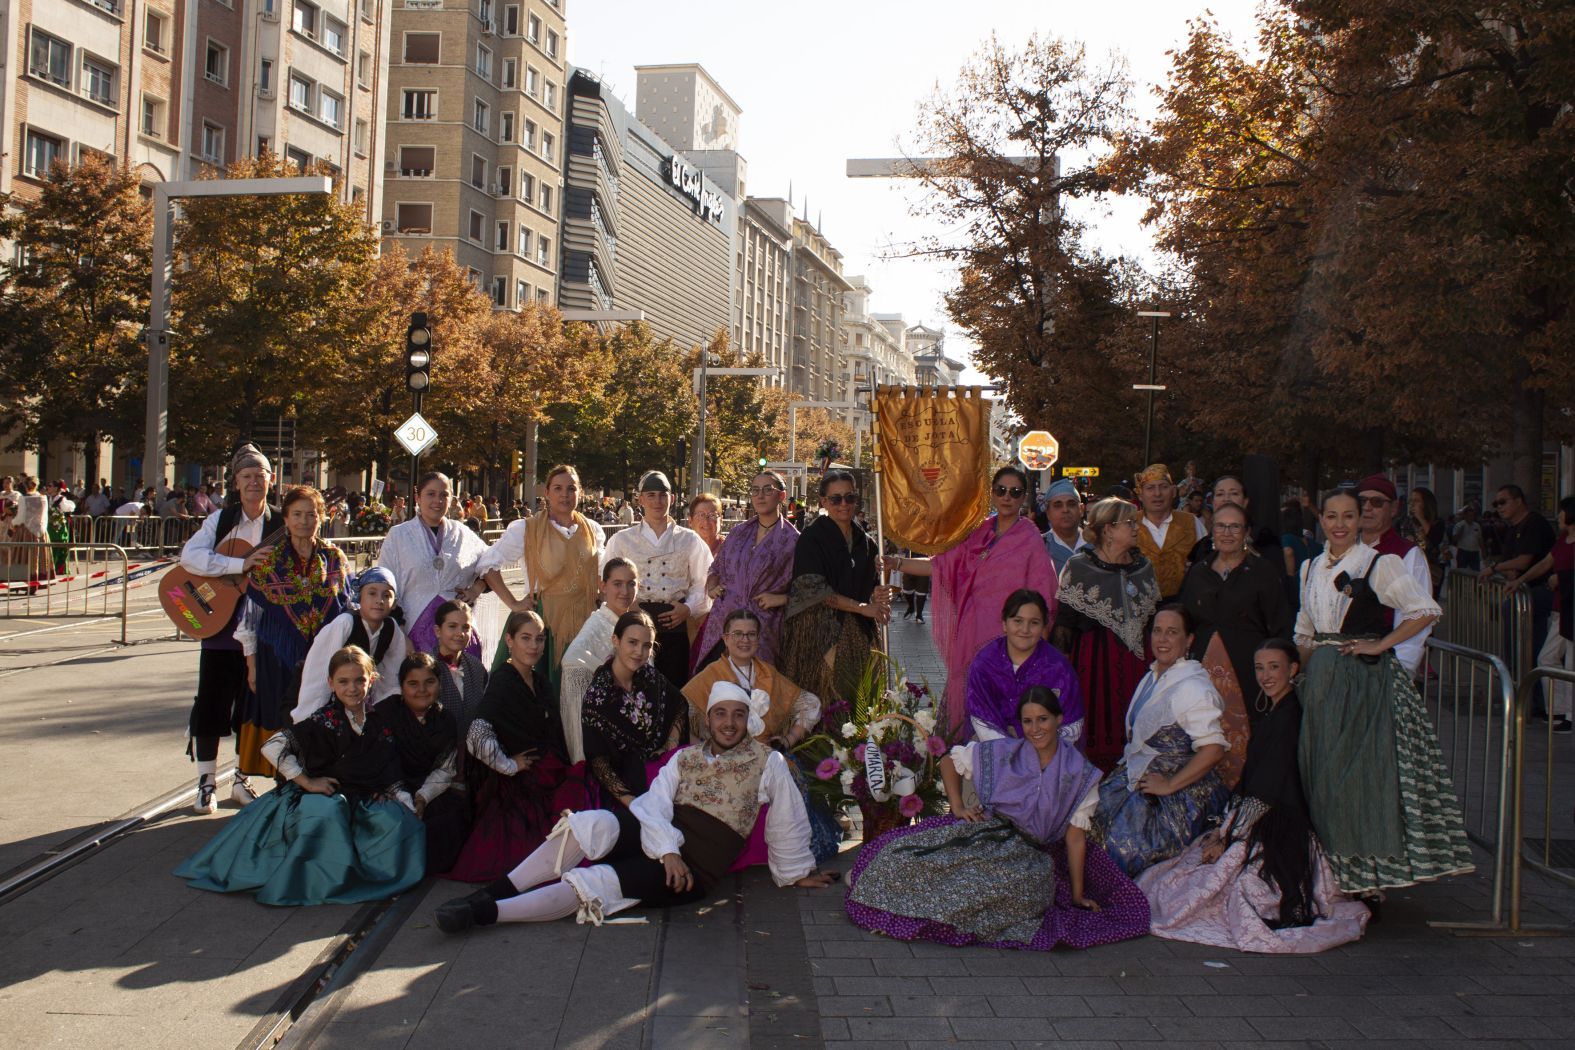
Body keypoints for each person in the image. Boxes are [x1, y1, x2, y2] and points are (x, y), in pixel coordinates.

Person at [433, 681, 834, 933]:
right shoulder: (684, 758)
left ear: (749, 721)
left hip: (694, 869)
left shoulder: (768, 763)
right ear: (708, 720)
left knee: (597, 884)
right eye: (721, 714)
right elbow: (653, 806)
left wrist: (796, 873)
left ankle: (486, 914)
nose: (729, 723)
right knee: (588, 824)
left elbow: (787, 820)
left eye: (738, 715)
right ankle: (495, 890)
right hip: (661, 838)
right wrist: (668, 851)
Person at [845, 686, 1151, 951]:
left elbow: (1074, 837)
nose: (1036, 729)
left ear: (1059, 719)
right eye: (1028, 722)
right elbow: (949, 762)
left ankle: (918, 915)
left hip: (1031, 857)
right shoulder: (1005, 752)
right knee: (899, 859)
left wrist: (1077, 894)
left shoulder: (1079, 773)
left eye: (1043, 719)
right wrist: (958, 808)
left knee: (1011, 889)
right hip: (985, 834)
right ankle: (898, 907)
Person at [1137, 640, 1370, 952]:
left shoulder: (1289, 718)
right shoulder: (1277, 711)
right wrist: (1223, 829)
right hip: (1258, 815)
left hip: (1277, 826)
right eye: (1260, 668)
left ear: (1293, 669)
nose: (1265, 675)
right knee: (1176, 877)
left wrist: (1229, 835)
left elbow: (1268, 788)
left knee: (1203, 884)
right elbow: (1253, 781)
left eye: (1274, 667)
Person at [1294, 490, 1472, 897]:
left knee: (1356, 778)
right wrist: (1296, 675)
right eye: (1332, 515)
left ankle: (1366, 882)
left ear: (1360, 520)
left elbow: (1425, 610)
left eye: (1349, 515)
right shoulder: (1309, 566)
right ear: (1321, 519)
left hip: (1362, 682)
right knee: (1319, 776)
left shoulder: (1380, 563)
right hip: (1320, 680)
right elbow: (1304, 631)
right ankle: (1329, 877)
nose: (1340, 524)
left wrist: (1380, 644)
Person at [174, 647, 426, 905]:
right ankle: (319, 881)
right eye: (343, 681)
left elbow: (389, 768)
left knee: (398, 820)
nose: (352, 688)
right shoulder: (323, 718)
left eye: (359, 680)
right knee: (327, 814)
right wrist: (307, 781)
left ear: (371, 679)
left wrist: (406, 801)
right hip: (320, 796)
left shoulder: (379, 723)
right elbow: (272, 747)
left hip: (361, 797)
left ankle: (371, 875)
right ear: (330, 683)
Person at [889, 466, 1058, 737]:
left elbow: (1043, 596)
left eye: (1015, 492)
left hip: (1010, 641)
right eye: (1001, 490)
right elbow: (941, 565)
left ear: (1024, 498)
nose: (1007, 497)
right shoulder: (979, 533)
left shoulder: (1030, 539)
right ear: (992, 493)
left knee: (1000, 717)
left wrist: (1037, 652)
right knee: (963, 710)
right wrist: (896, 563)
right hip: (972, 632)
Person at [683, 608, 840, 864]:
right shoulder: (711, 675)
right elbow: (685, 709)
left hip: (767, 755)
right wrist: (705, 751)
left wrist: (787, 740)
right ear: (725, 638)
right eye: (738, 634)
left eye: (751, 635)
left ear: (758, 639)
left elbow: (809, 703)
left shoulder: (768, 673)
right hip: (727, 759)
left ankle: (785, 854)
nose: (744, 640)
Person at [448, 610, 591, 882]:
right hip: (521, 784)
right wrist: (509, 764)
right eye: (526, 638)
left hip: (548, 770)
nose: (534, 646)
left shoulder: (540, 680)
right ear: (509, 640)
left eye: (539, 639)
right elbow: (476, 732)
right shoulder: (503, 681)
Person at [1089, 606, 1231, 878]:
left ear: (1189, 640)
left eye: (1172, 632)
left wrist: (1168, 785)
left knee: (1121, 850)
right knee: (1083, 824)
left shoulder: (1193, 687)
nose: (1163, 639)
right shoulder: (1153, 676)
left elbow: (1213, 750)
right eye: (1157, 631)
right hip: (1138, 778)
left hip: (1177, 792)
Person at [181, 446, 282, 812]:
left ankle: (241, 780)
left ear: (271, 480)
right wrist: (237, 564)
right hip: (221, 628)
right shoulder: (221, 521)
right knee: (210, 703)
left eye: (261, 475)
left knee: (250, 708)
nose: (254, 481)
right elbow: (189, 556)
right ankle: (205, 783)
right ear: (236, 482)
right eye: (247, 476)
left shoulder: (280, 524)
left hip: (264, 630)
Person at [233, 485, 351, 785]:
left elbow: (347, 606)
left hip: (324, 658)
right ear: (285, 518)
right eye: (296, 514)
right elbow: (249, 617)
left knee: (320, 722)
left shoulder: (334, 557)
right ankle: (285, 786)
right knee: (284, 721)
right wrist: (252, 664)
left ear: (321, 518)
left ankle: (317, 782)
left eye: (311, 514)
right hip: (278, 658)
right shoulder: (267, 561)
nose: (303, 521)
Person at [1178, 501, 1293, 785]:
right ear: (1211, 530)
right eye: (1220, 525)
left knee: (1249, 743)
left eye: (1235, 526)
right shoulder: (1198, 573)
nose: (1227, 533)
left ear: (1246, 532)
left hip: (1249, 677)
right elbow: (1185, 624)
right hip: (1203, 677)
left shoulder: (1263, 572)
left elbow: (1279, 627)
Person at [1051, 497, 1161, 770]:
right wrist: (1057, 675)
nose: (1136, 528)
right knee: (1097, 728)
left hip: (1137, 661)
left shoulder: (1143, 567)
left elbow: (1152, 621)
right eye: (1129, 523)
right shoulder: (1080, 566)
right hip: (1094, 664)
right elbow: (1065, 624)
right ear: (1108, 529)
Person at [475, 465, 605, 680]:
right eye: (558, 488)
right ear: (547, 493)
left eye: (571, 488)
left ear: (580, 493)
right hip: (544, 624)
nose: (565, 494)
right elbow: (488, 564)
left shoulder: (592, 530)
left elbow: (600, 574)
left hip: (585, 624)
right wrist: (514, 604)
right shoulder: (526, 529)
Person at [780, 470, 888, 706]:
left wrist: (876, 595)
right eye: (836, 499)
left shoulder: (867, 542)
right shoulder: (812, 538)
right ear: (824, 502)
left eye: (849, 497)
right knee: (825, 702)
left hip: (859, 633)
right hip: (820, 633)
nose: (844, 504)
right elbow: (814, 591)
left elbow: (868, 587)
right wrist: (862, 607)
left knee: (860, 702)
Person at [601, 470, 712, 686]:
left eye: (662, 495)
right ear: (640, 499)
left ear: (671, 499)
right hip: (634, 627)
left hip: (675, 625)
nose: (657, 501)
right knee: (634, 688)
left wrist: (688, 609)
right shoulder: (621, 540)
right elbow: (605, 583)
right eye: (650, 495)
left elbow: (704, 582)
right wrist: (628, 606)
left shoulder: (690, 540)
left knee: (673, 690)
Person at [580, 610, 689, 809]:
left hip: (659, 774)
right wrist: (634, 803)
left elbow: (679, 705)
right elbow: (600, 764)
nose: (639, 652)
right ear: (616, 640)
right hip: (620, 792)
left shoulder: (648, 676)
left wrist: (670, 750)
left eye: (646, 645)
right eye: (632, 642)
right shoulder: (598, 696)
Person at [376, 471, 490, 655]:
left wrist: (476, 588)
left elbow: (491, 563)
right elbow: (384, 586)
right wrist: (398, 634)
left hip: (459, 633)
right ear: (417, 497)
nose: (437, 500)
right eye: (431, 494)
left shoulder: (463, 533)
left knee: (462, 682)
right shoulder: (398, 536)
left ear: (451, 498)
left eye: (444, 495)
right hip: (412, 631)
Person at [693, 471, 799, 668]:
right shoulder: (738, 532)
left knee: (757, 691)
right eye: (755, 490)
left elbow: (806, 590)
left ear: (782, 496)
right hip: (724, 625)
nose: (760, 495)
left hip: (763, 629)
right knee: (714, 688)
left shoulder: (793, 541)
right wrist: (712, 587)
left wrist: (781, 599)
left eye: (768, 490)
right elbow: (715, 569)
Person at [380, 653, 472, 874]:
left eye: (429, 682)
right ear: (401, 686)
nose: (422, 690)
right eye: (413, 684)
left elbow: (445, 768)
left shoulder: (445, 719)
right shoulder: (385, 713)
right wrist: (403, 796)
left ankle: (427, 868)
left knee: (453, 815)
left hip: (428, 789)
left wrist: (422, 797)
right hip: (390, 787)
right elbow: (382, 761)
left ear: (439, 684)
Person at [966, 590, 1084, 744]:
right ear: (1004, 624)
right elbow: (980, 718)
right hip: (994, 747)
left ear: (1043, 626)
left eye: (1034, 622)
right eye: (1018, 621)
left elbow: (1072, 723)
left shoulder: (1058, 667)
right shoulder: (985, 663)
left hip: (1047, 750)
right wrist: (1013, 752)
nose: (1025, 629)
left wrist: (1040, 751)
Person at [292, 566, 407, 723]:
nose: (379, 600)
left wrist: (385, 712)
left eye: (386, 595)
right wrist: (308, 720)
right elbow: (318, 674)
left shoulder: (391, 628)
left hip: (356, 698)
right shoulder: (345, 623)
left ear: (394, 604)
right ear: (359, 597)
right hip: (324, 696)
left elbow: (391, 677)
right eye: (372, 593)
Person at [560, 558, 644, 762]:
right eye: (617, 584)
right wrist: (612, 676)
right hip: (605, 736)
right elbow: (572, 660)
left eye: (631, 583)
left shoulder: (632, 622)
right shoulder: (596, 626)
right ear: (603, 586)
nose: (625, 591)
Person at [1355, 475, 1434, 677]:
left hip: (1382, 665)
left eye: (1377, 502)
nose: (1368, 507)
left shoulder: (1408, 553)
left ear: (1393, 508)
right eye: (1362, 501)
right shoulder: (1344, 549)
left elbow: (1416, 618)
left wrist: (1399, 670)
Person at [1510, 496, 1575, 733]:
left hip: (1570, 610)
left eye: (1561, 512)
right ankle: (1557, 709)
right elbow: (1546, 563)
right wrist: (1520, 580)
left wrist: (1564, 579)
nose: (1558, 516)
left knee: (1569, 662)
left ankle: (1568, 714)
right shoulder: (1562, 541)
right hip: (1560, 612)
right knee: (1548, 658)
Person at [1491, 483, 1557, 715]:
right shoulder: (1512, 530)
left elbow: (1525, 562)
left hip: (1541, 595)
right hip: (1527, 596)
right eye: (1496, 504)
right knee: (1524, 649)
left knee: (1538, 651)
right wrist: (1508, 572)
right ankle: (1525, 697)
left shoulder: (1535, 524)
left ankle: (1537, 703)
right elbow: (1514, 568)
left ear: (1519, 500)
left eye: (1503, 502)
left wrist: (1495, 568)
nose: (1499, 507)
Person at [1133, 464, 1205, 600]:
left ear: (1173, 491)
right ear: (1140, 494)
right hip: (1139, 608)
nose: (1157, 493)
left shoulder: (1191, 522)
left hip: (1183, 606)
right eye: (1150, 488)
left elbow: (1208, 562)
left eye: (1163, 487)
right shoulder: (1129, 524)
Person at [430, 599, 489, 735]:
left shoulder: (476, 667)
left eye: (466, 628)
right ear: (438, 631)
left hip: (473, 747)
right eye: (452, 626)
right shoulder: (426, 667)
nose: (460, 633)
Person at [1041, 479, 1091, 574]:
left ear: (1081, 509)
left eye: (1071, 504)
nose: (1065, 510)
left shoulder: (1098, 545)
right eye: (1058, 505)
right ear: (1048, 513)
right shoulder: (1039, 547)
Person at [1405, 486, 1448, 595]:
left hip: (1432, 571)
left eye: (1416, 501)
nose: (1412, 504)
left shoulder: (1438, 523)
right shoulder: (1405, 522)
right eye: (1411, 501)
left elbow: (1435, 538)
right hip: (1410, 570)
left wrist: (1421, 518)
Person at [688, 492, 724, 557]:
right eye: (701, 515)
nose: (706, 522)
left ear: (721, 520)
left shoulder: (732, 549)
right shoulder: (682, 550)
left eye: (712, 515)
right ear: (690, 521)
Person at [1452, 504, 1484, 572]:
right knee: (1461, 571)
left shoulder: (1477, 525)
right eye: (1469, 515)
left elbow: (1480, 538)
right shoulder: (1459, 525)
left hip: (1475, 552)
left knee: (1476, 571)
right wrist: (1461, 532)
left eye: (1472, 516)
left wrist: (1483, 550)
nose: (1471, 517)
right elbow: (1454, 539)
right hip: (1463, 551)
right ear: (1465, 516)